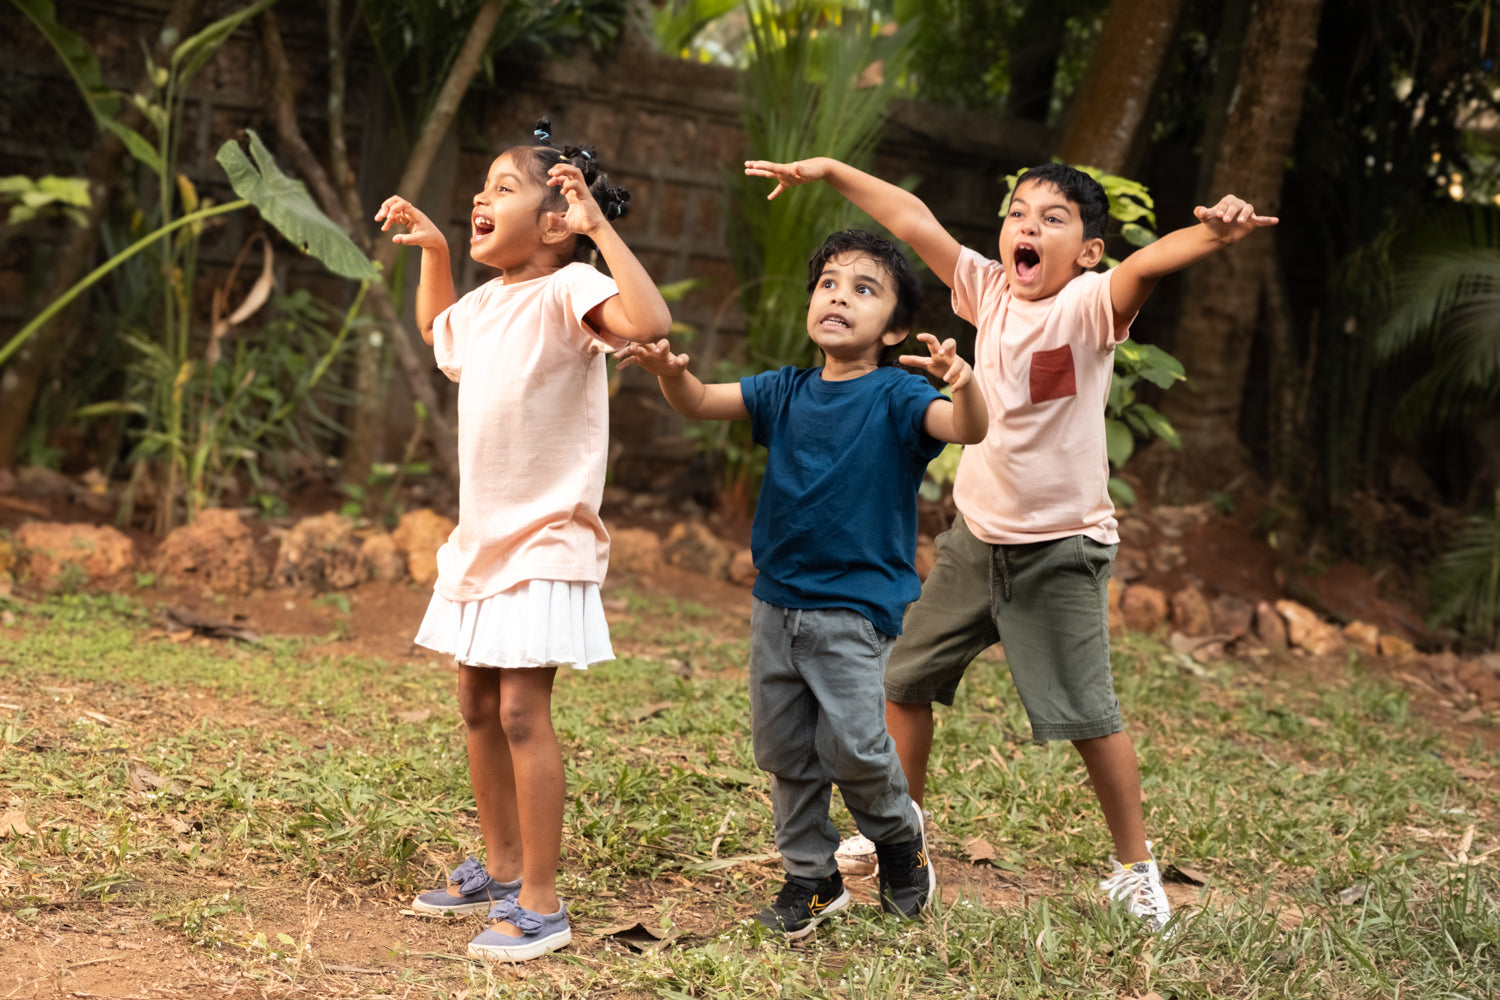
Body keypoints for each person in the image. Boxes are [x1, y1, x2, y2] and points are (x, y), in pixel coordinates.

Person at [743, 156, 1278, 933]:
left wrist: (1211, 234)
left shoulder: (1093, 303)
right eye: (1018, 213)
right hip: (974, 539)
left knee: (1089, 717)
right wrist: (830, 172)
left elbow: (1153, 262)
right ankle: (905, 837)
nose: (1027, 227)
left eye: (1052, 219)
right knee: (903, 680)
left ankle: (1135, 868)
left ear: (1088, 251)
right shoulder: (987, 287)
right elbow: (912, 218)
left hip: (1059, 549)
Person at [616, 229, 988, 940]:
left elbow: (965, 427)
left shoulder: (899, 396)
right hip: (776, 603)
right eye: (829, 284)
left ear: (897, 328)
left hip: (855, 608)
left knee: (854, 745)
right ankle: (810, 878)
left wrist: (964, 385)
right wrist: (668, 371)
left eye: (863, 288)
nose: (839, 296)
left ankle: (900, 843)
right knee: (785, 750)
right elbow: (696, 401)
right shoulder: (783, 390)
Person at [374, 119, 671, 963]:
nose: (480, 197)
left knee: (519, 710)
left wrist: (598, 232)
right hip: (482, 541)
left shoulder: (571, 289)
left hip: (547, 536)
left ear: (555, 221)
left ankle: (541, 902)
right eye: (483, 187)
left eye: (503, 188)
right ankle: (501, 867)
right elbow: (441, 331)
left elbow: (649, 317)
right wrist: (434, 248)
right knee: (473, 703)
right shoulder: (489, 300)